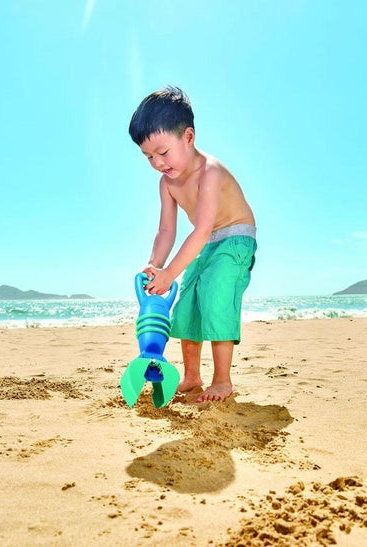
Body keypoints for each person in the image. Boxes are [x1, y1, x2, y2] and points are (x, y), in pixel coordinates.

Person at [128, 85, 256, 403]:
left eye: (163, 152)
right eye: (148, 157)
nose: (158, 162)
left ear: (188, 137)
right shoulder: (167, 183)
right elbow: (166, 230)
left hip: (234, 238)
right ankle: (192, 376)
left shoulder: (209, 172)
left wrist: (170, 274)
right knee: (186, 305)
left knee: (215, 296)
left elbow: (201, 229)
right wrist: (156, 265)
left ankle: (222, 380)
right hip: (205, 242)